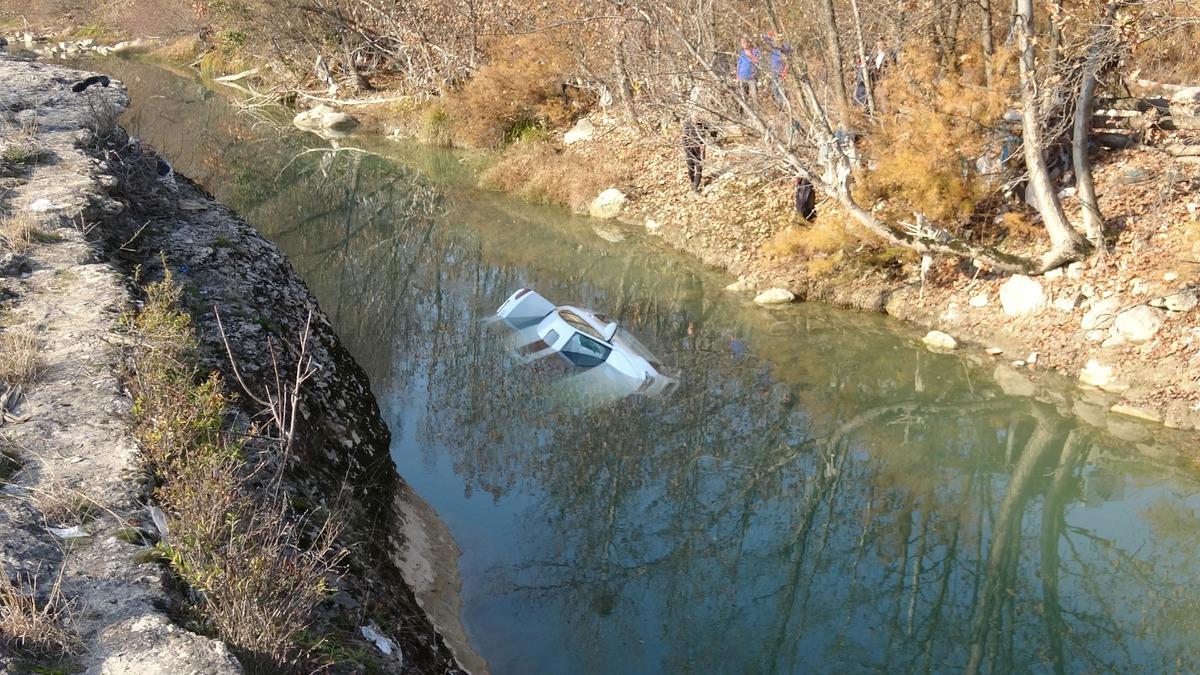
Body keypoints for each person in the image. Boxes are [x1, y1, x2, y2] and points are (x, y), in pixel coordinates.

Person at [682, 116, 712, 193]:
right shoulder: (687, 125)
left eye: (698, 117)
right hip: (689, 149)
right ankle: (692, 181)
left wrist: (714, 134)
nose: (696, 119)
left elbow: (712, 133)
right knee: (690, 170)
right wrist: (687, 150)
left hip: (699, 149)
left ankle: (696, 187)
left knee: (699, 169)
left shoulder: (703, 125)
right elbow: (684, 138)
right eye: (695, 117)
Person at [765, 32, 791, 106]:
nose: (776, 41)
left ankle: (785, 103)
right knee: (774, 89)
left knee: (781, 88)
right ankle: (780, 103)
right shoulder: (774, 46)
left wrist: (785, 71)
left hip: (782, 71)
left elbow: (788, 60)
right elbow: (764, 38)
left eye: (779, 39)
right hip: (774, 71)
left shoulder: (785, 47)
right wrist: (771, 33)